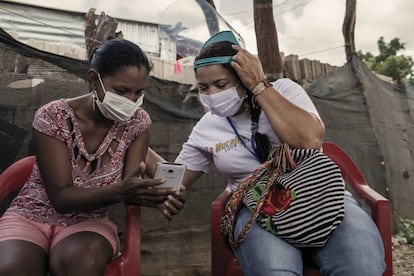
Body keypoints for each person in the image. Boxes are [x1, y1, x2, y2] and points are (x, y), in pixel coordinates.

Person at [148, 31, 386, 275]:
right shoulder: (208, 126)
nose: (212, 95)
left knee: (361, 265)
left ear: (243, 77)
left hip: (318, 196)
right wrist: (136, 141)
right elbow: (174, 179)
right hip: (256, 210)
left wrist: (259, 86)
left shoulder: (283, 90)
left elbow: (310, 139)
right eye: (203, 88)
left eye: (221, 85)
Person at [0, 38, 185, 276]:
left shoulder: (137, 124)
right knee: (14, 267)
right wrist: (122, 191)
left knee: (80, 262)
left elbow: (132, 184)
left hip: (89, 222)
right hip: (30, 215)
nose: (130, 102)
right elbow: (61, 197)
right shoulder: (53, 116)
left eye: (138, 93)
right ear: (93, 80)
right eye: (121, 91)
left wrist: (156, 194)